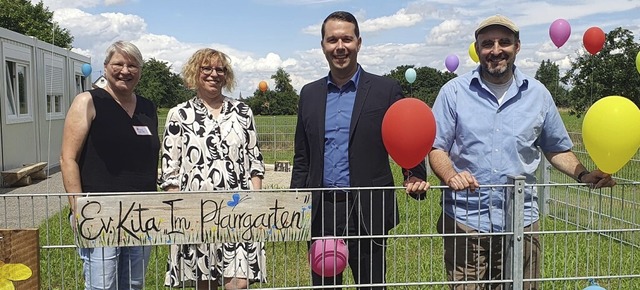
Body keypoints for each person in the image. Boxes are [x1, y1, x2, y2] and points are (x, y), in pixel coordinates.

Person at [428, 14, 616, 290]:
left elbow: (555, 147)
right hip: (466, 220)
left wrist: (584, 175)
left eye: (504, 42)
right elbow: (436, 147)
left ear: (517, 46)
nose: (495, 50)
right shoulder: (453, 92)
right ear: (477, 48)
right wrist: (450, 175)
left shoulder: (537, 94)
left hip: (522, 221)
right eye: (487, 43)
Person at [290, 11, 429, 289]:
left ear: (359, 42)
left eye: (346, 39)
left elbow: (405, 135)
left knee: (372, 285)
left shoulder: (385, 90)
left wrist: (413, 172)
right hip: (322, 213)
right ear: (322, 46)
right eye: (332, 40)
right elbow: (302, 158)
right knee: (325, 286)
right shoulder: (309, 94)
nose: (339, 47)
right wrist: (297, 211)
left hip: (368, 208)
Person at [159, 48, 266, 290]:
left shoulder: (242, 112)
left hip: (240, 213)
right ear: (194, 73)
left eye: (220, 69)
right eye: (206, 68)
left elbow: (255, 162)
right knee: (204, 284)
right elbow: (170, 170)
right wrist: (180, 213)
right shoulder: (179, 114)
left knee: (238, 283)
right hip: (197, 214)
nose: (213, 74)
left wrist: (255, 203)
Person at [60, 40, 160, 290]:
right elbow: (67, 158)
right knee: (102, 285)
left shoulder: (148, 108)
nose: (125, 70)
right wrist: (78, 208)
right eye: (118, 64)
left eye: (132, 65)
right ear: (105, 67)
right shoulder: (88, 101)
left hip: (142, 212)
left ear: (140, 71)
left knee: (134, 283)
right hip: (99, 210)